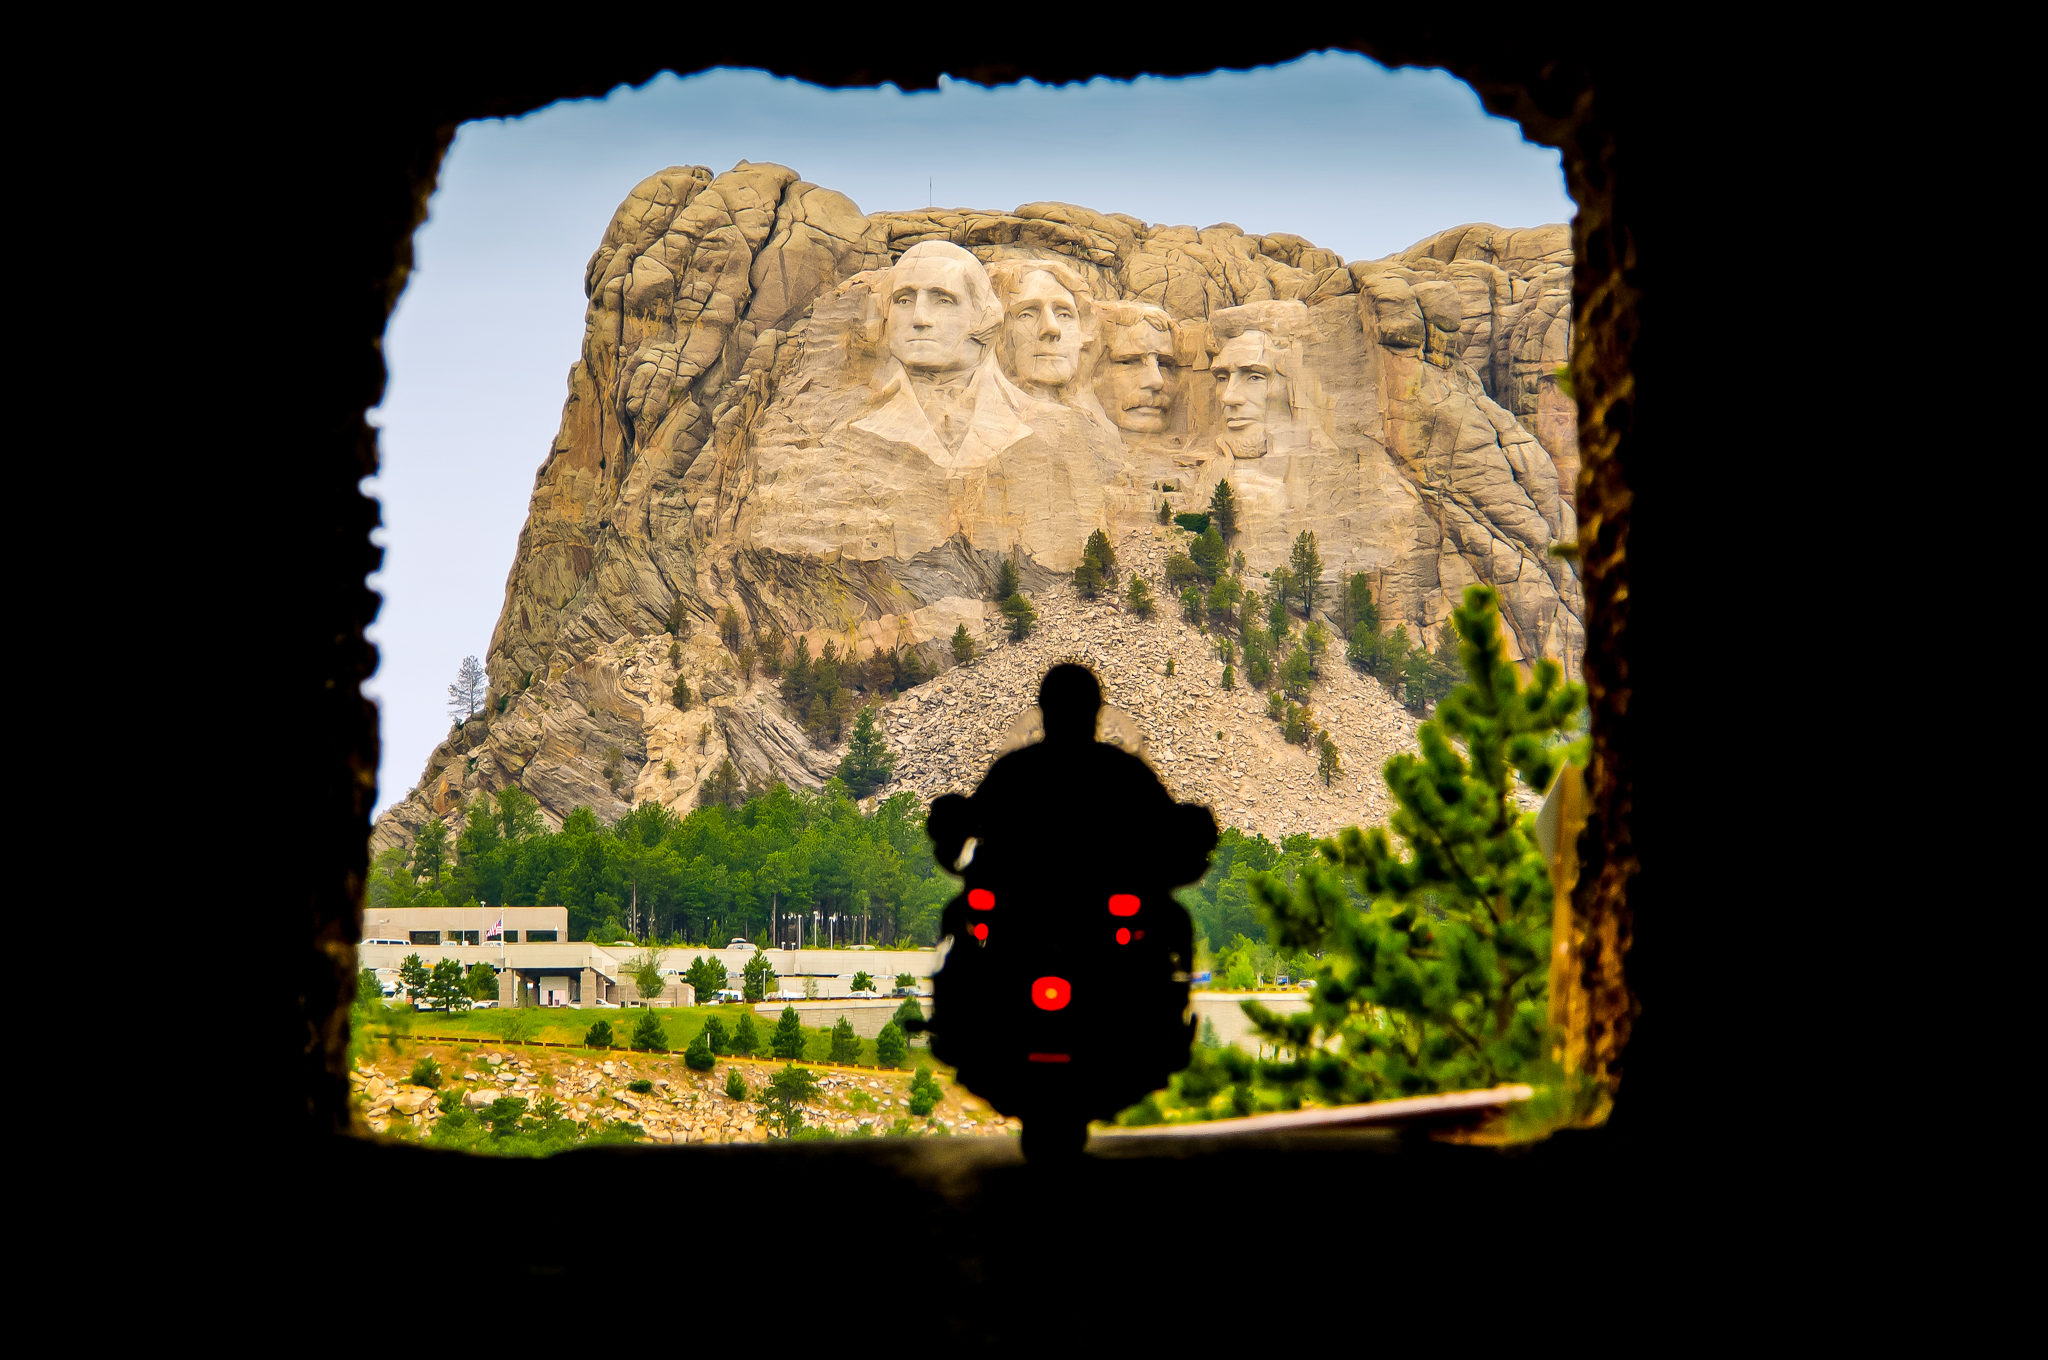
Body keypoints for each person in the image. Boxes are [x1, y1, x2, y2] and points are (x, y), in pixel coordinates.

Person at [925, 664, 1216, 1158]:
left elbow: (967, 818)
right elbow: (1172, 826)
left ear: (1046, 708)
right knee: (1173, 923)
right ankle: (1169, 1024)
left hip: (1034, 922)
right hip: (1083, 924)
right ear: (1095, 711)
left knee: (960, 919)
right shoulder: (1121, 772)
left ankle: (950, 1020)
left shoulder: (1017, 771)